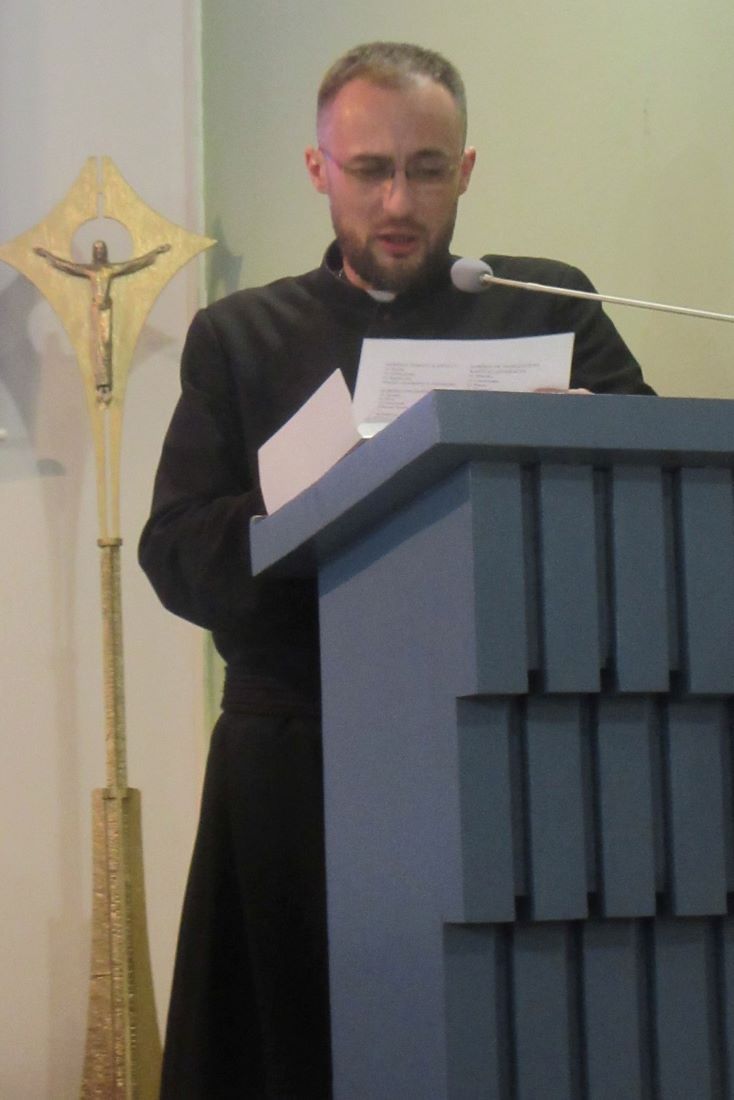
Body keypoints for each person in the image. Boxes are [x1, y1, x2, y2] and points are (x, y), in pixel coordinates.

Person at [139, 40, 654, 1100]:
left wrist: (576, 444)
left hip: (522, 743)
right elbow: (177, 550)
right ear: (317, 169)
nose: (397, 203)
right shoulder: (241, 335)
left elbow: (650, 493)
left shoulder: (545, 306)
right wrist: (314, 493)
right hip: (305, 750)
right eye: (369, 170)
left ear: (465, 169)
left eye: (426, 169)